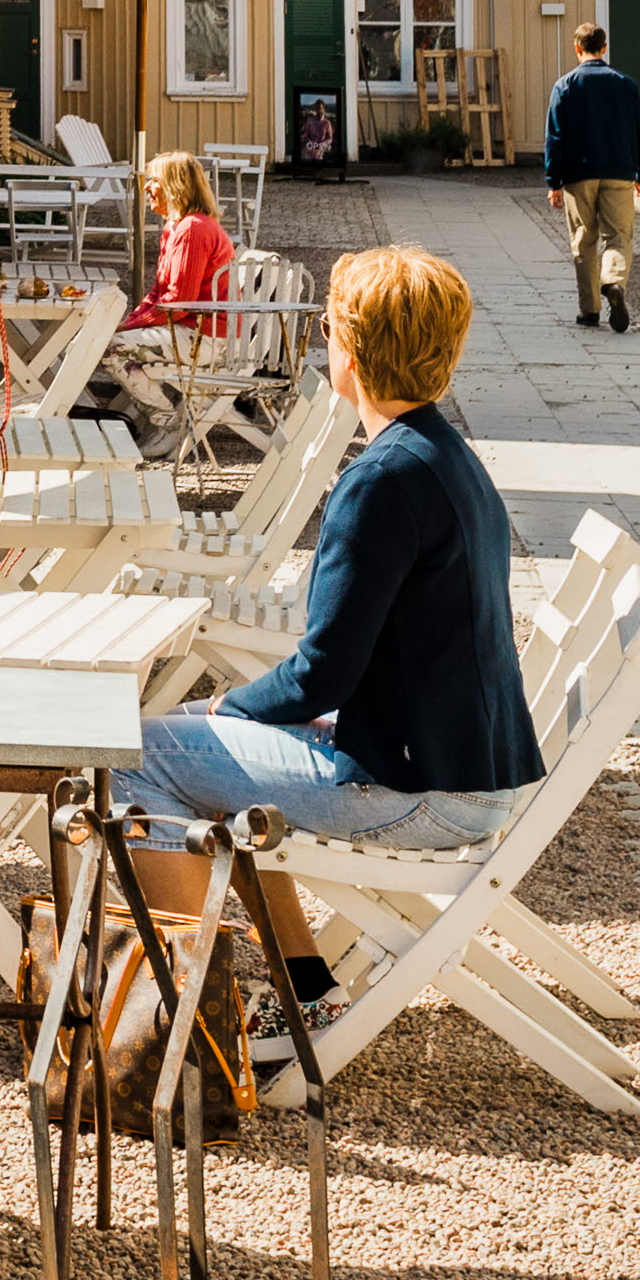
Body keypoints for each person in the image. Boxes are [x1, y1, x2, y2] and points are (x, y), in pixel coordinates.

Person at [120, 245, 542, 1018]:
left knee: (132, 752)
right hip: (458, 764)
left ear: (350, 348)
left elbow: (324, 674)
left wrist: (231, 707)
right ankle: (305, 990)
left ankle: (195, 1009)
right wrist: (231, 715)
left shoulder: (380, 481)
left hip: (419, 790)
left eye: (326, 327)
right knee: (192, 746)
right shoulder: (444, 458)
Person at [543, 24, 640, 334]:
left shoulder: (565, 85)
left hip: (579, 174)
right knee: (619, 236)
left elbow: (555, 137)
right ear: (604, 48)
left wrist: (554, 180)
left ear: (577, 48)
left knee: (584, 240)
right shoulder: (625, 84)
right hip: (619, 171)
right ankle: (613, 281)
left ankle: (589, 311)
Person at [118, 153, 236, 332]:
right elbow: (158, 293)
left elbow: (180, 302)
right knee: (98, 342)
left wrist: (131, 327)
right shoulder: (173, 227)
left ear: (176, 187)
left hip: (204, 333)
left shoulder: (193, 228)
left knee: (104, 349)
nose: (146, 187)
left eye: (155, 181)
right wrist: (130, 322)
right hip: (181, 325)